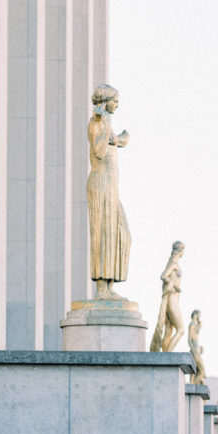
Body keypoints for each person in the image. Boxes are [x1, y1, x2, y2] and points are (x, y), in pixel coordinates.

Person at [86, 84, 130, 298]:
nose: (117, 104)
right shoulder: (97, 123)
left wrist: (117, 137)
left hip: (111, 186)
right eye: (115, 101)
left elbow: (123, 139)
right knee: (103, 233)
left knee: (122, 234)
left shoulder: (106, 125)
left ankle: (110, 284)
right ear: (106, 102)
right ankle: (102, 287)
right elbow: (99, 151)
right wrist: (110, 130)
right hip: (101, 182)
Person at [150, 241, 185, 352]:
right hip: (172, 299)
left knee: (169, 329)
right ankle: (168, 354)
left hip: (173, 298)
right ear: (181, 250)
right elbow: (164, 276)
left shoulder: (173, 263)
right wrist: (173, 286)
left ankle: (165, 353)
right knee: (181, 329)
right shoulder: (173, 263)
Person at [188, 309, 206, 385]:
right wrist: (193, 351)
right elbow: (189, 340)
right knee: (202, 372)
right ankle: (193, 385)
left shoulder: (194, 325)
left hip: (197, 349)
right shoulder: (192, 325)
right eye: (199, 315)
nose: (200, 317)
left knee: (195, 371)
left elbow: (198, 330)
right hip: (195, 351)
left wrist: (199, 347)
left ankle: (193, 384)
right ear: (196, 315)